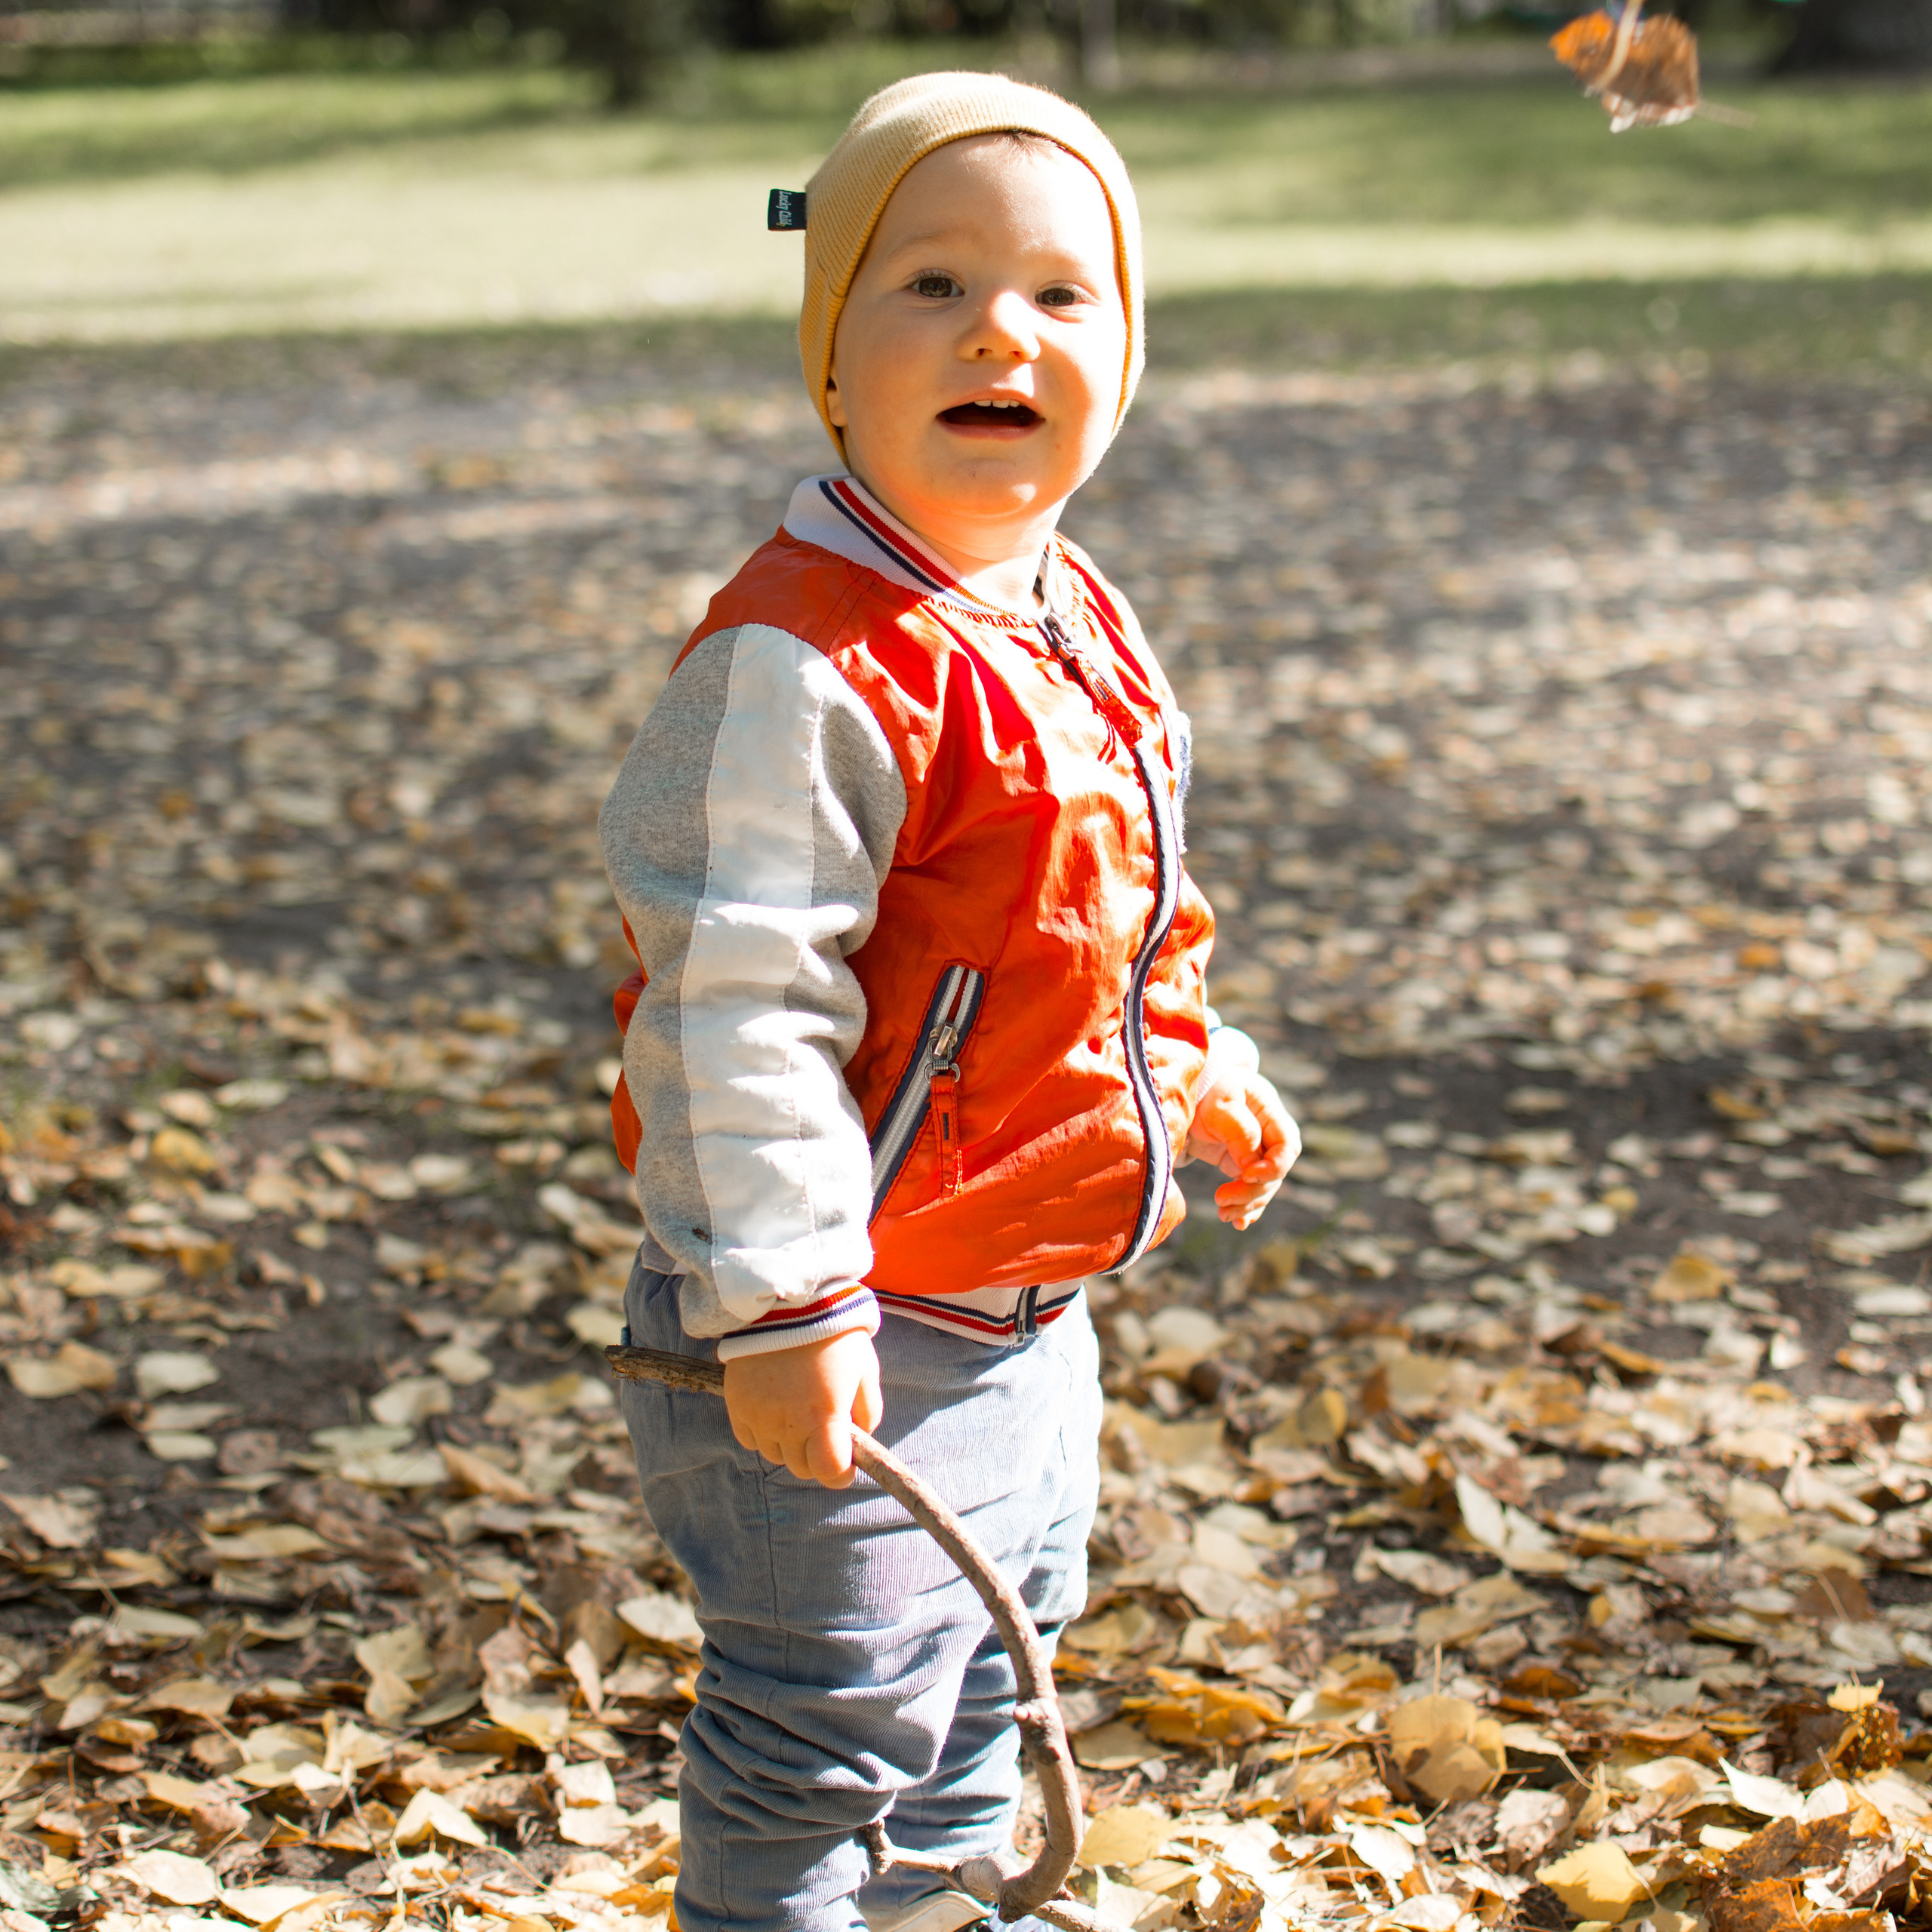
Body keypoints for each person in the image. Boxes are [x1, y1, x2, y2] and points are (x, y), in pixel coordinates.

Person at [598, 70, 1299, 1932]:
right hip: (839, 1312)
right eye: (929, 286)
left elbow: (1111, 914)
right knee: (826, 1729)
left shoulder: (1071, 612)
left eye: (1065, 294)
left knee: (986, 1696)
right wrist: (782, 1298)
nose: (1002, 327)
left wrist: (1187, 1064)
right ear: (831, 356)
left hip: (1019, 1310)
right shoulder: (802, 659)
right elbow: (732, 1009)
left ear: (1123, 358)